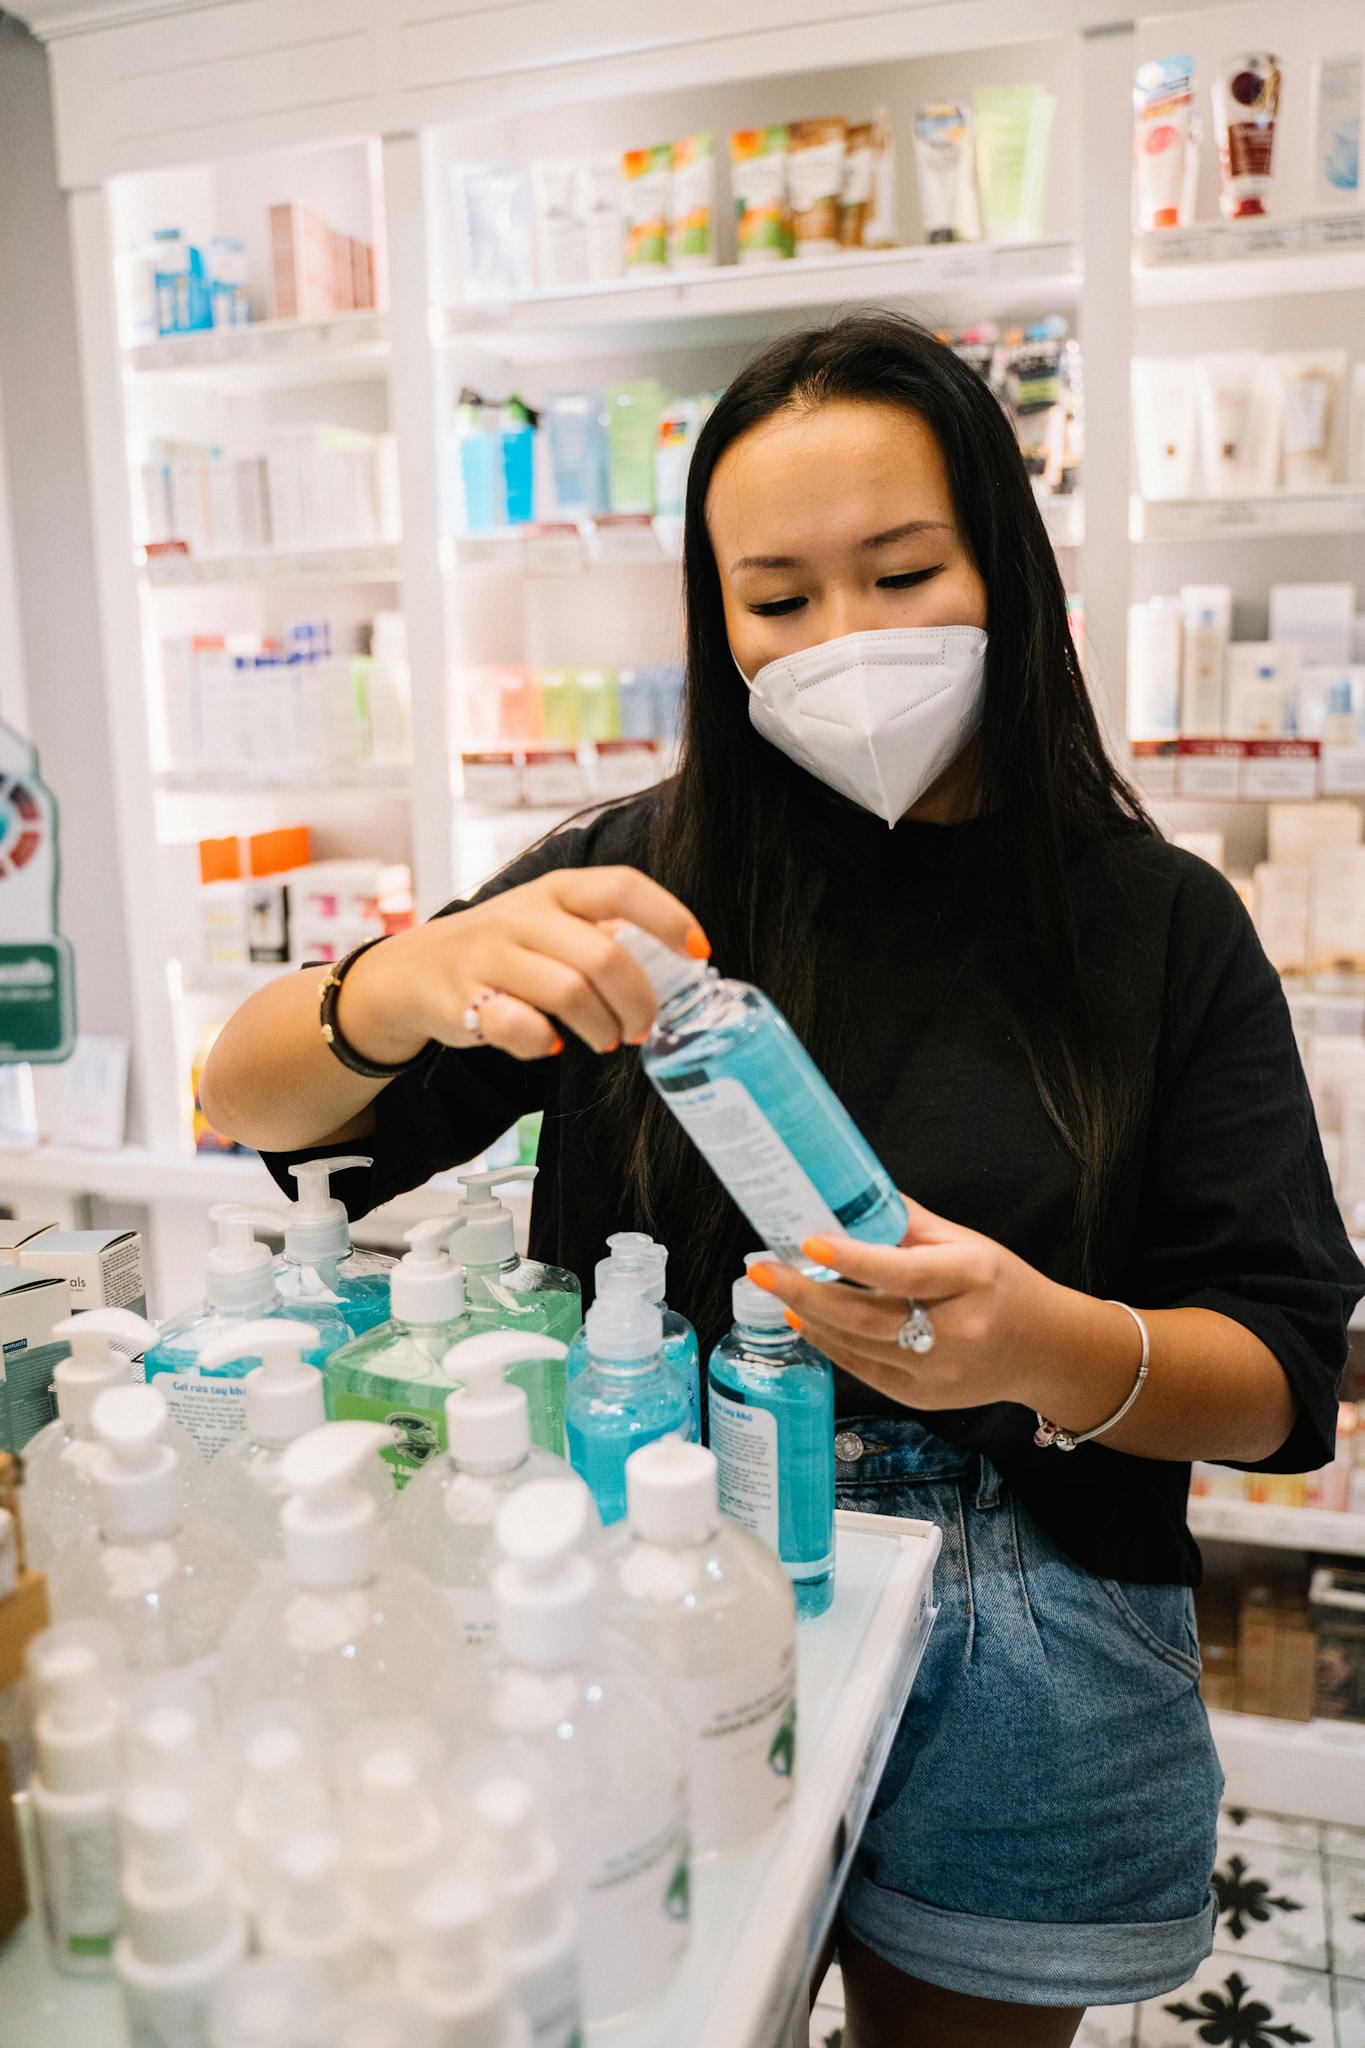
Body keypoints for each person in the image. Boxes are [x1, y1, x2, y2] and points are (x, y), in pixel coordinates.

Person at [202, 313, 1363, 2048]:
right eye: (780, 600)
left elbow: (1280, 1378)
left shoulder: (1157, 926)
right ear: (717, 622)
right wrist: (405, 981)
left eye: (903, 572)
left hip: (1030, 1643)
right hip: (648, 1601)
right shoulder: (623, 888)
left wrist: (1038, 1347)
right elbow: (261, 1106)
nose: (848, 641)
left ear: (1009, 571)